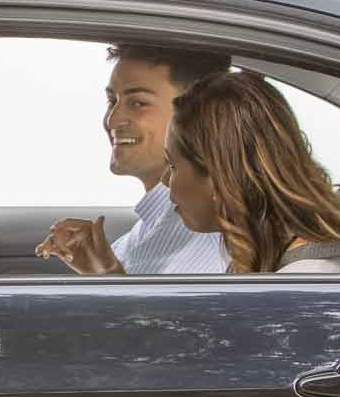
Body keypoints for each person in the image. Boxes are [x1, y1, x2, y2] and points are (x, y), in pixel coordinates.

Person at [35, 45, 231, 274]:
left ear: (198, 114)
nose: (112, 120)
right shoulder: (139, 234)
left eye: (137, 103)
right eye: (112, 101)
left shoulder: (208, 241)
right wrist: (105, 273)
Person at [164, 70, 340, 273]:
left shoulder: (300, 281)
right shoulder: (271, 260)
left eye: (172, 165)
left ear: (217, 175)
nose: (164, 180)